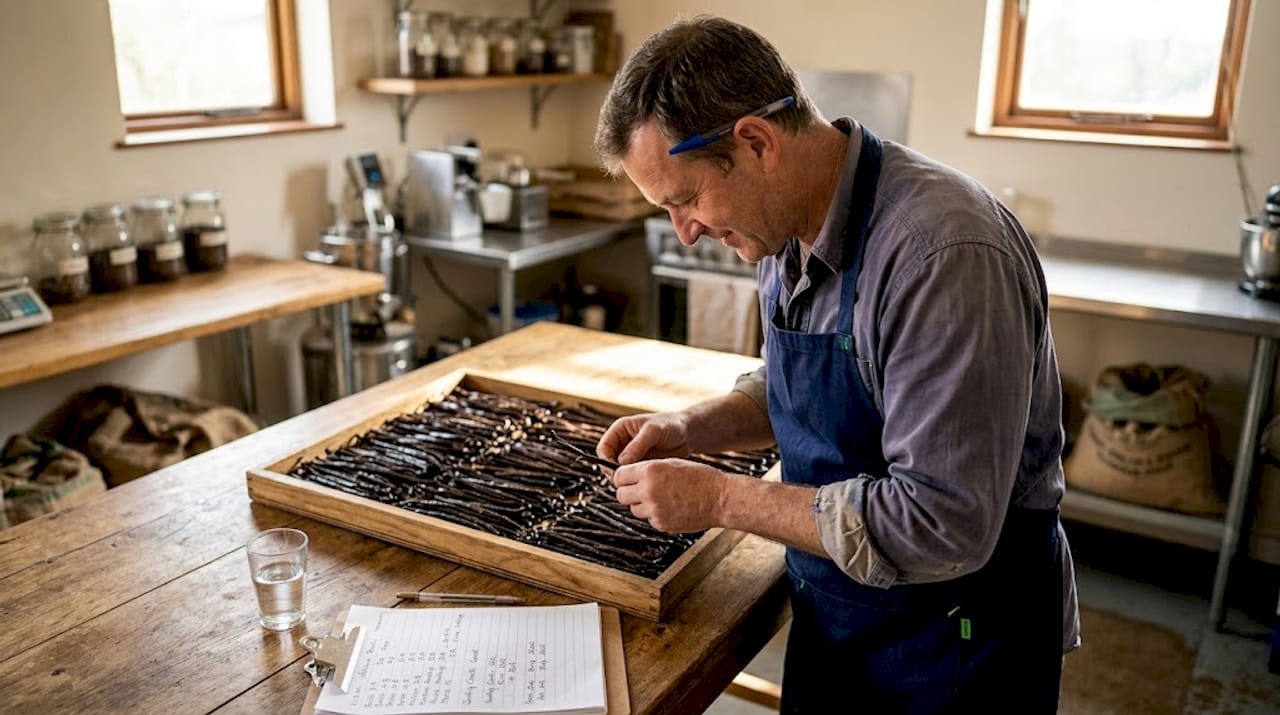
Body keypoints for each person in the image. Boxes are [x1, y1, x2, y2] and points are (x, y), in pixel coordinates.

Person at [592, 15, 1079, 714]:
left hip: (958, 638)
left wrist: (721, 499)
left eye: (687, 199)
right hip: (841, 616)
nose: (687, 231)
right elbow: (789, 391)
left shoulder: (943, 254)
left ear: (755, 142)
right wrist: (688, 427)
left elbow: (939, 524)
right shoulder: (779, 227)